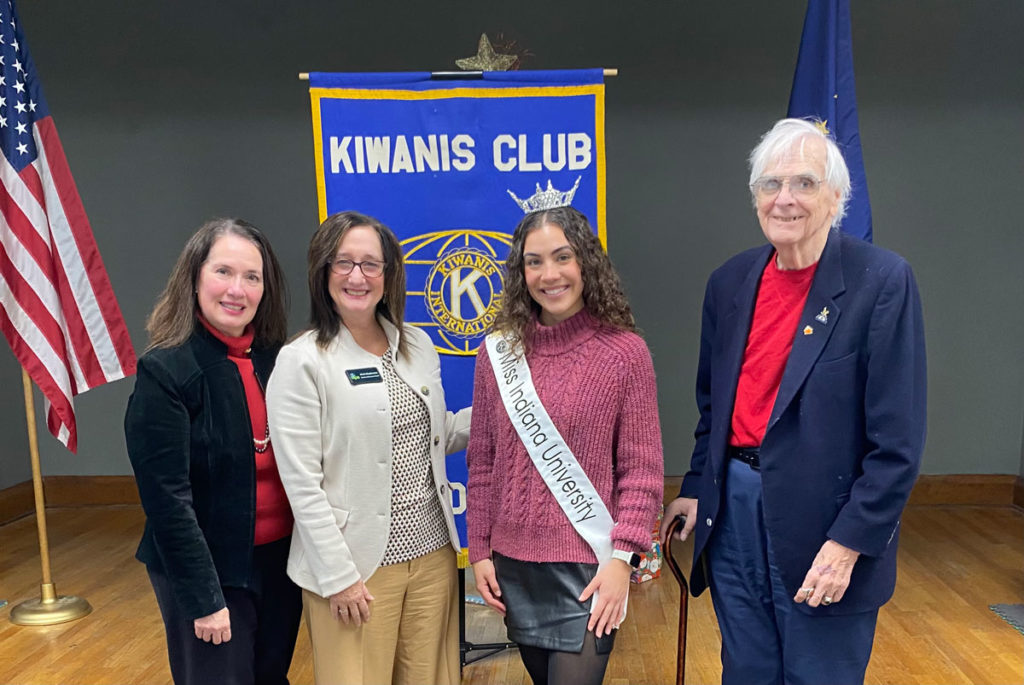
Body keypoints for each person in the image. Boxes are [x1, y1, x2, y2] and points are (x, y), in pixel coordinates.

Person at [662, 118, 927, 685]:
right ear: (755, 196)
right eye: (770, 184)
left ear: (836, 196)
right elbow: (716, 408)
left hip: (824, 523)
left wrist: (849, 543)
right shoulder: (729, 282)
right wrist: (695, 487)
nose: (785, 199)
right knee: (748, 671)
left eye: (805, 183)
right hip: (732, 515)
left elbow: (897, 446)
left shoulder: (881, 282)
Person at [266, 210, 471, 685]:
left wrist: (507, 411)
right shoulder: (302, 361)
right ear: (323, 272)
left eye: (370, 264)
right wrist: (338, 576)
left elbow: (435, 432)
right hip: (355, 566)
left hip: (433, 553)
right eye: (343, 263)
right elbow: (302, 483)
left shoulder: (417, 345)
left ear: (388, 274)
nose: (357, 276)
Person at [467, 206, 664, 685]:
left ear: (586, 264)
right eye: (534, 262)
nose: (549, 274)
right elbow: (483, 463)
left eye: (562, 257)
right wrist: (479, 551)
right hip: (515, 567)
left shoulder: (624, 353)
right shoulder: (498, 352)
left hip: (588, 567)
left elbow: (642, 473)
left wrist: (623, 560)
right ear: (521, 273)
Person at [125, 218, 301, 685]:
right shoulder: (165, 370)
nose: (236, 289)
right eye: (223, 271)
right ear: (195, 277)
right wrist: (204, 599)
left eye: (251, 277)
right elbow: (167, 503)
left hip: (279, 567)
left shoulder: (278, 360)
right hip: (207, 570)